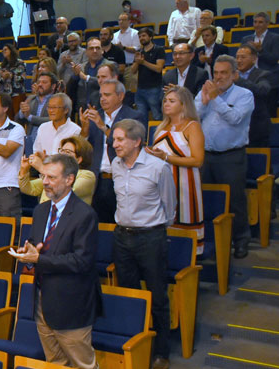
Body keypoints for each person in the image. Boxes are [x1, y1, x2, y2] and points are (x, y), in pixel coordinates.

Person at [8, 153, 109, 369]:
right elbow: (41, 247)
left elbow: (82, 262)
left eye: (51, 177)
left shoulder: (85, 215)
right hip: (42, 302)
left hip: (73, 305)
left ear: (70, 180)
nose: (45, 182)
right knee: (57, 365)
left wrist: (41, 259)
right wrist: (31, 252)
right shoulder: (40, 211)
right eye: (45, 176)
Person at [110, 119, 176, 369]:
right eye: (114, 139)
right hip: (122, 237)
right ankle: (135, 346)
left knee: (157, 296)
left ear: (137, 141)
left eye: (120, 140)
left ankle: (161, 351)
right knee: (128, 295)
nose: (114, 144)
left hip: (151, 237)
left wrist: (153, 226)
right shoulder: (115, 165)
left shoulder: (158, 168)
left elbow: (169, 207)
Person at [195, 56, 254, 258]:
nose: (219, 77)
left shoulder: (244, 95)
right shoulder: (206, 92)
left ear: (234, 75)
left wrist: (214, 99)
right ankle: (211, 241)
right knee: (206, 199)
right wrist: (204, 102)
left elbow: (235, 118)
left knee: (235, 200)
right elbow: (192, 117)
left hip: (231, 156)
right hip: (206, 156)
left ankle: (240, 240)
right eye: (216, 73)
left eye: (224, 73)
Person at [78, 79, 146, 221]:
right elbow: (84, 149)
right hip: (96, 179)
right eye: (101, 95)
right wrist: (84, 131)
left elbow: (132, 146)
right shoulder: (94, 115)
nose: (102, 99)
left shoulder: (134, 116)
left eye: (107, 95)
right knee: (97, 225)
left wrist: (103, 127)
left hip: (121, 178)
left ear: (120, 96)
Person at [149, 87, 206, 252]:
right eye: (165, 100)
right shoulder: (161, 127)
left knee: (183, 217)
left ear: (183, 105)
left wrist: (165, 158)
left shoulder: (192, 126)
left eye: (172, 101)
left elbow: (198, 160)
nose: (166, 104)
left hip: (185, 183)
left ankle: (187, 255)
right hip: (162, 183)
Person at [20, 134, 97, 205]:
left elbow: (63, 191)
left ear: (78, 159)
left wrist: (43, 168)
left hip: (70, 219)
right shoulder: (56, 173)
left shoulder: (87, 176)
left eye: (67, 152)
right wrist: (24, 170)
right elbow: (29, 188)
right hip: (48, 215)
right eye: (61, 151)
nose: (62, 155)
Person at [235, 44, 274, 147]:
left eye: (243, 57)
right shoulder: (231, 76)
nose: (239, 60)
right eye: (237, 57)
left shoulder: (264, 74)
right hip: (234, 130)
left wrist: (240, 80)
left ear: (254, 59)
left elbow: (262, 91)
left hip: (256, 130)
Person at [129, 26, 166, 121]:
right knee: (141, 117)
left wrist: (143, 62)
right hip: (140, 89)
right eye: (140, 36)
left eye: (144, 36)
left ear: (150, 37)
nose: (142, 38)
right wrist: (137, 62)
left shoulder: (158, 50)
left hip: (154, 88)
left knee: (157, 115)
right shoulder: (139, 52)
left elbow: (158, 68)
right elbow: (133, 71)